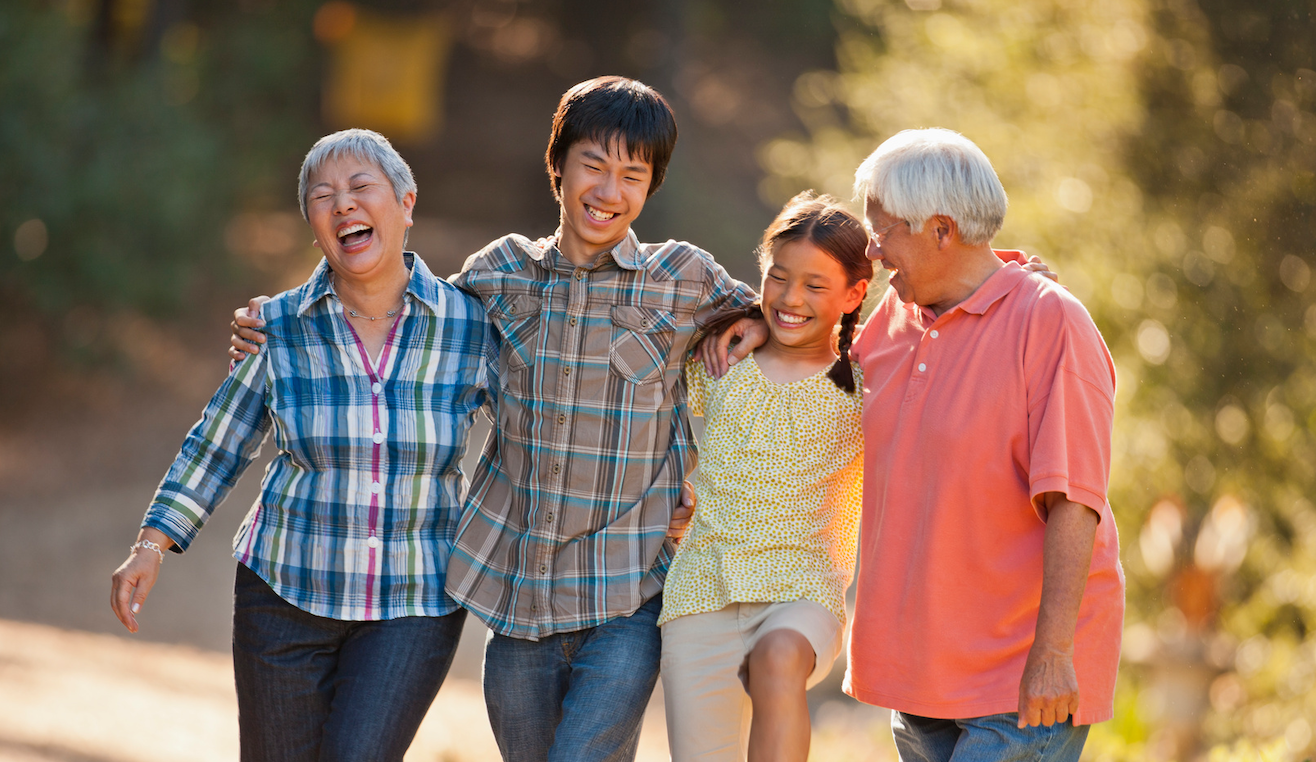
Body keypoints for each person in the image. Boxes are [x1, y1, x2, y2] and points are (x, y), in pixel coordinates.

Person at [230, 77, 751, 762]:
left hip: (629, 590)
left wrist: (749, 332)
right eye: (593, 164)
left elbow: (787, 325)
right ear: (558, 165)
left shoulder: (685, 278)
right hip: (519, 600)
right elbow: (399, 309)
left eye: (632, 174)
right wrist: (282, 318)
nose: (608, 190)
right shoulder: (498, 273)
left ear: (650, 186)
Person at [704, 128, 1122, 761]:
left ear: (942, 230)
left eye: (885, 230)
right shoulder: (893, 323)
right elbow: (819, 384)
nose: (872, 250)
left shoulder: (1051, 321)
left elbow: (1076, 500)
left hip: (1019, 682)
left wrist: (1054, 653)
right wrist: (765, 323)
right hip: (922, 679)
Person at [110, 128, 498, 762]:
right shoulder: (278, 326)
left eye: (361, 187)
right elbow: (220, 439)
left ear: (406, 204)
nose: (343, 204)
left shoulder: (470, 326)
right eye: (323, 196)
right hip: (284, 593)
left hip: (414, 599)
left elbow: (538, 428)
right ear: (314, 226)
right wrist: (151, 543)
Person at [658, 192, 870, 762]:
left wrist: (1018, 267)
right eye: (778, 278)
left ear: (854, 295)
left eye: (816, 286)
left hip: (802, 593)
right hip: (702, 590)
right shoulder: (722, 361)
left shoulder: (866, 385)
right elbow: (671, 439)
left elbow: (940, 307)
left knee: (778, 657)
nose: (791, 298)